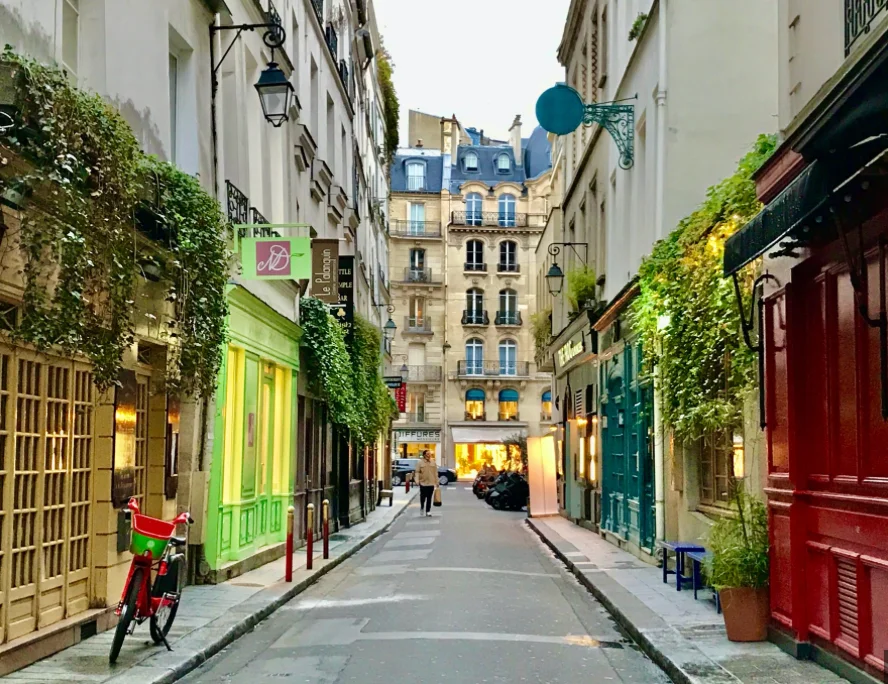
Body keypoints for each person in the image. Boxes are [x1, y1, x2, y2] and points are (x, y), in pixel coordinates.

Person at [416, 450, 438, 517]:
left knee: (429, 498)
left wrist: (437, 481)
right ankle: (422, 507)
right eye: (428, 454)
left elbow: (435, 473)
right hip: (423, 483)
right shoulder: (420, 462)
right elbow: (417, 472)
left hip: (431, 483)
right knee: (422, 497)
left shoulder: (433, 462)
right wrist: (417, 480)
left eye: (430, 454)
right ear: (424, 455)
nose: (429, 455)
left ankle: (428, 511)